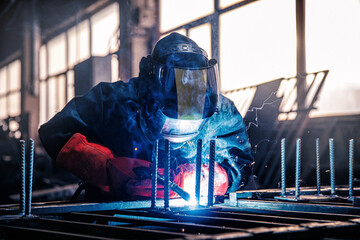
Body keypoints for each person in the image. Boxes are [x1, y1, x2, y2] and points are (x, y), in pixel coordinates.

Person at [38, 33, 253, 201]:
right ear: (149, 91)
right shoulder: (112, 101)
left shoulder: (221, 113)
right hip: (115, 213)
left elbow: (240, 166)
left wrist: (203, 180)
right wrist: (108, 169)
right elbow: (55, 132)